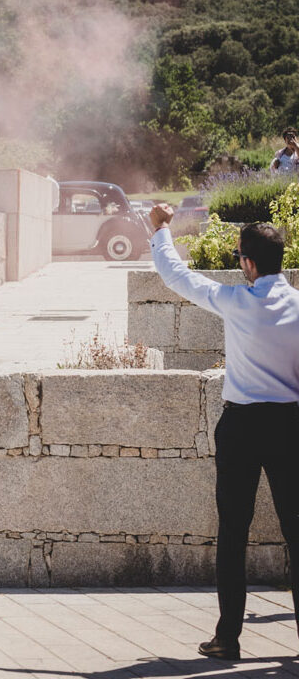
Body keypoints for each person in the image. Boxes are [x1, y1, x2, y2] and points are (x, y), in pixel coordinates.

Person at [149, 203, 299, 660]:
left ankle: (227, 638)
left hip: (242, 427)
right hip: (290, 426)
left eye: (239, 258)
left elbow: (178, 277)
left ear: (249, 264)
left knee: (233, 533)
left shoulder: (236, 302)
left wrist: (160, 230)